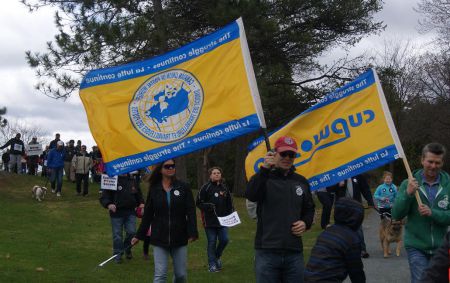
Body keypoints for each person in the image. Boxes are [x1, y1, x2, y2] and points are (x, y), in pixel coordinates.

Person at [245, 136, 315, 283]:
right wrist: (264, 169)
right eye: (283, 154)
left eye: (292, 155)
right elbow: (252, 194)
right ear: (274, 154)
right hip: (267, 251)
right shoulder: (263, 178)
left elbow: (309, 208)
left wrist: (305, 222)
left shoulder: (301, 181)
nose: (287, 158)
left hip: (294, 252)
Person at [131, 159, 198, 283]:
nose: (171, 168)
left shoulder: (183, 187)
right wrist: (138, 235)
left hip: (179, 236)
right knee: (160, 276)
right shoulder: (154, 189)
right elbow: (148, 215)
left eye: (173, 166)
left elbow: (191, 211)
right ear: (160, 170)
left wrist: (193, 231)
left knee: (181, 275)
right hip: (159, 237)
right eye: (167, 166)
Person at [392, 142, 450, 283]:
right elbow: (396, 214)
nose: (433, 166)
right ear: (422, 160)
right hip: (416, 246)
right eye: (430, 161)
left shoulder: (448, 184)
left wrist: (433, 213)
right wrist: (408, 194)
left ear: (442, 162)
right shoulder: (408, 183)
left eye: (438, 162)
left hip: (442, 247)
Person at [305, 198, 366, 282]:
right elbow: (356, 272)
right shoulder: (351, 239)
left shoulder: (327, 232)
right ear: (356, 218)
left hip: (309, 278)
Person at [100, 173, 144, 263]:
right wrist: (109, 204)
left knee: (132, 232)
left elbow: (139, 195)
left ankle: (127, 248)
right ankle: (117, 254)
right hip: (116, 213)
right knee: (117, 236)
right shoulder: (111, 178)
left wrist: (141, 203)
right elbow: (104, 197)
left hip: (130, 212)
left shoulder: (132, 180)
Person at [196, 166, 233, 272]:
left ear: (221, 175)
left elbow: (230, 203)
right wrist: (208, 206)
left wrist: (231, 214)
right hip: (209, 220)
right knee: (212, 242)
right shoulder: (205, 188)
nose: (217, 174)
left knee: (224, 240)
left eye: (218, 173)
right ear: (210, 175)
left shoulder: (224, 188)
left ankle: (216, 257)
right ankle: (212, 265)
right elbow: (198, 203)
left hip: (223, 220)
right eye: (214, 173)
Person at [329, 174, 375, 258]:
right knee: (340, 229)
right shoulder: (337, 174)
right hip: (341, 207)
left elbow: (365, 188)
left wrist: (370, 201)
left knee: (358, 229)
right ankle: (341, 250)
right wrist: (338, 184)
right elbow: (329, 189)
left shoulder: (358, 174)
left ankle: (362, 250)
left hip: (356, 206)